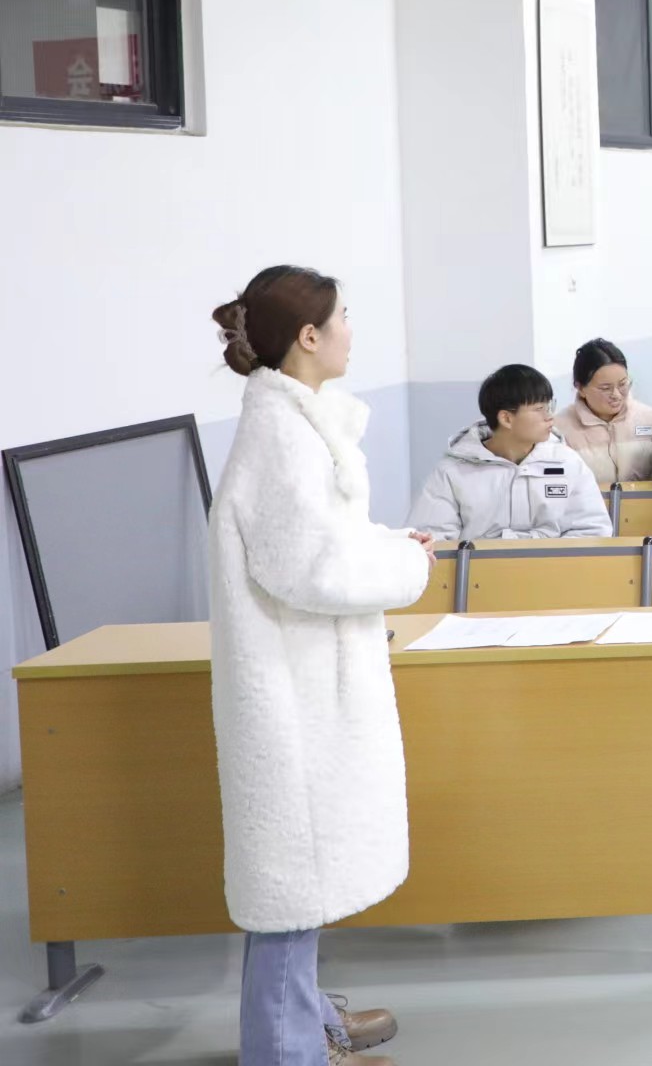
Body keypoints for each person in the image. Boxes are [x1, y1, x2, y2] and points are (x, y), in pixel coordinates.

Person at [206, 267, 428, 1066]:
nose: (350, 332)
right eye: (343, 318)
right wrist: (406, 566)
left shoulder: (295, 422)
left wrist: (386, 544)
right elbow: (311, 569)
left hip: (301, 684)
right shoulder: (283, 437)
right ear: (309, 336)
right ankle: (285, 1052)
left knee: (299, 879)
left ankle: (303, 1027)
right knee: (289, 889)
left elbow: (319, 541)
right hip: (291, 696)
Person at [411, 364, 611, 539]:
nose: (550, 416)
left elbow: (593, 530)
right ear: (506, 419)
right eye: (539, 409)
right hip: (481, 571)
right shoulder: (452, 472)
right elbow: (433, 539)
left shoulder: (567, 463)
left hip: (555, 569)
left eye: (550, 406)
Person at [554, 337, 652, 489]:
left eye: (622, 384)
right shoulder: (559, 430)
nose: (616, 394)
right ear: (580, 388)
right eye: (605, 388)